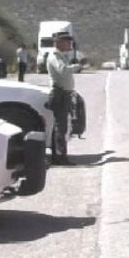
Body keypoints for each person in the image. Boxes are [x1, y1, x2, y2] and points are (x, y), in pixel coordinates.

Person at [46, 31, 77, 165]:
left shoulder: (62, 56)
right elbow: (63, 71)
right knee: (61, 127)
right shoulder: (54, 56)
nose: (69, 44)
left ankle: (60, 154)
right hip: (60, 94)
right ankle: (59, 156)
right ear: (58, 42)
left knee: (63, 126)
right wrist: (75, 67)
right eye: (66, 41)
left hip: (65, 94)